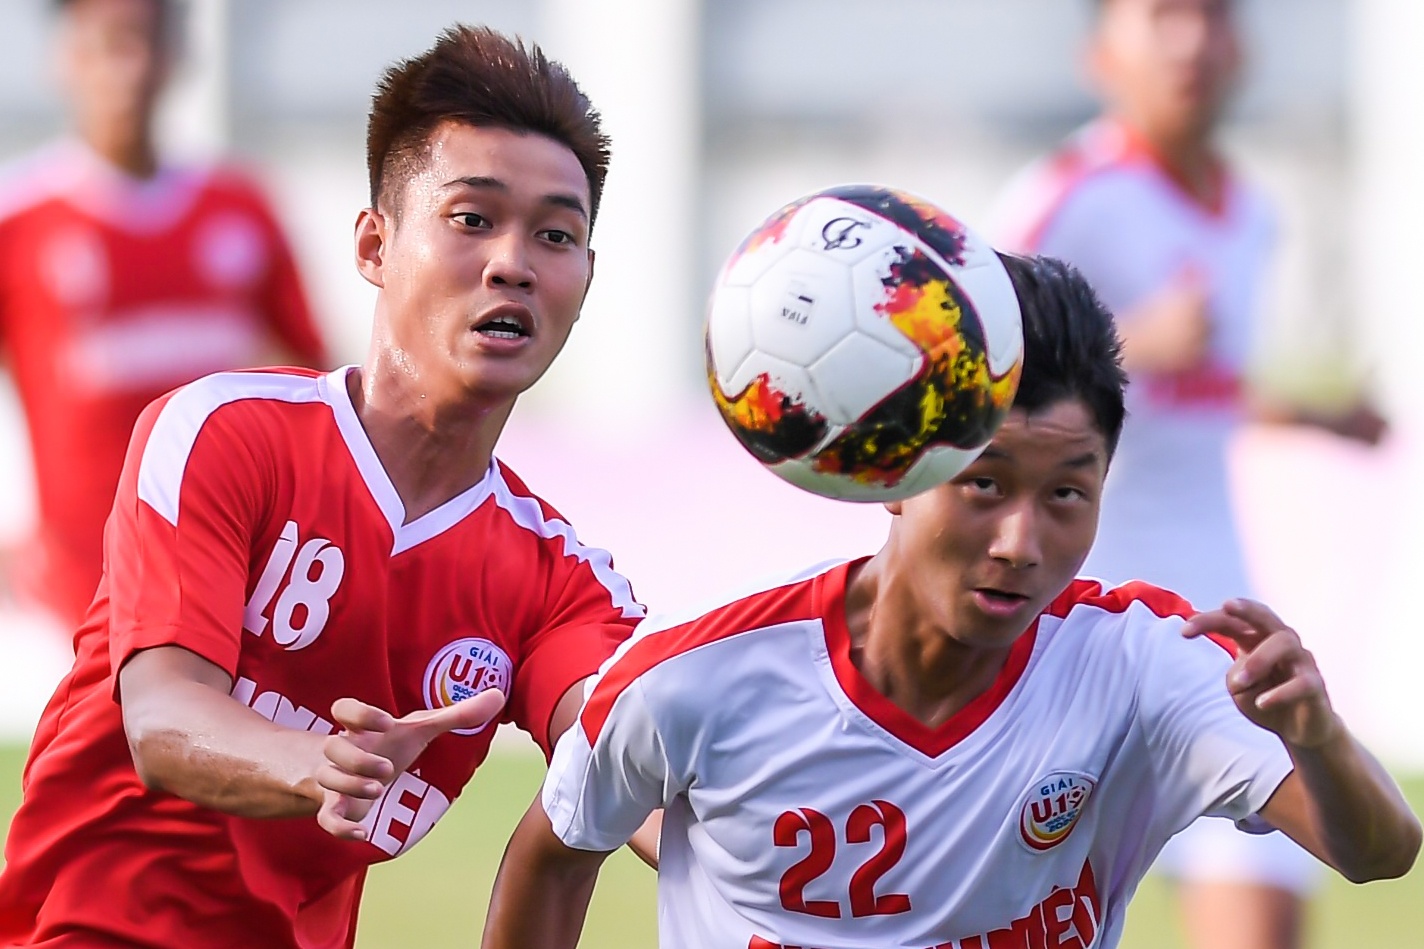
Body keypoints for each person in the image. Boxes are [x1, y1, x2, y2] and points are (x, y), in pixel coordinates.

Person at [453, 251, 1418, 948]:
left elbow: (1378, 852)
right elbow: (557, 848)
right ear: (895, 471)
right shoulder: (696, 681)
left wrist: (1318, 735)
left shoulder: (1144, 662)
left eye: (1068, 494)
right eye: (985, 485)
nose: (1021, 543)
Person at [0, 23, 646, 948]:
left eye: (557, 234)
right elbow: (164, 717)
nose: (515, 261)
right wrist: (322, 762)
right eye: (473, 218)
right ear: (375, 246)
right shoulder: (223, 432)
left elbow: (626, 754)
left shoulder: (557, 581)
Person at [991, 2, 1385, 948]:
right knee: (1020, 902)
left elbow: (1204, 390)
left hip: (1207, 590)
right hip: (1064, 595)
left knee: (1266, 896)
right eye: (1162, 15)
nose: (1189, 41)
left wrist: (1314, 416)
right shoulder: (1065, 195)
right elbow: (977, 370)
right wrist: (1130, 342)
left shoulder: (1251, 213)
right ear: (1101, 56)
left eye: (1208, 16)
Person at [0, 0, 327, 634]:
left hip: (229, 556)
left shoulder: (240, 205)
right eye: (109, 44)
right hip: (75, 578)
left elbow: (311, 379)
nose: (131, 67)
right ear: (67, 58)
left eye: (148, 42)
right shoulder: (20, 221)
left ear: (178, 56)